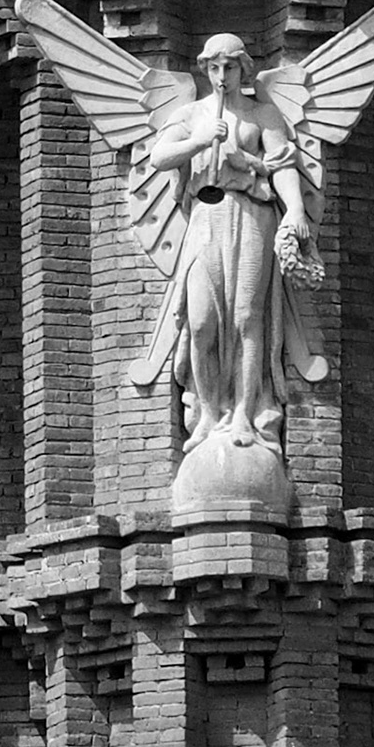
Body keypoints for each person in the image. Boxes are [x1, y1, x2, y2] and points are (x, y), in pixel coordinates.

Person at [147, 33, 315, 453]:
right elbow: (159, 156)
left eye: (230, 67)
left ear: (243, 69)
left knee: (246, 318)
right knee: (202, 321)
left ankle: (243, 411)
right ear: (205, 70)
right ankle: (207, 413)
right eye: (214, 68)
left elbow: (282, 166)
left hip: (252, 215)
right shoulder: (191, 114)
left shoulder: (262, 114)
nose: (222, 76)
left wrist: (295, 210)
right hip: (205, 219)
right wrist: (200, 140)